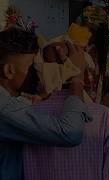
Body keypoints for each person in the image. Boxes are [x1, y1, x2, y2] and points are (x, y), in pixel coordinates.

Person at [0, 28, 92, 180]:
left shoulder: (17, 100)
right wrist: (77, 79)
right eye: (31, 66)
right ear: (9, 70)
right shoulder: (4, 107)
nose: (37, 71)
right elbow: (69, 133)